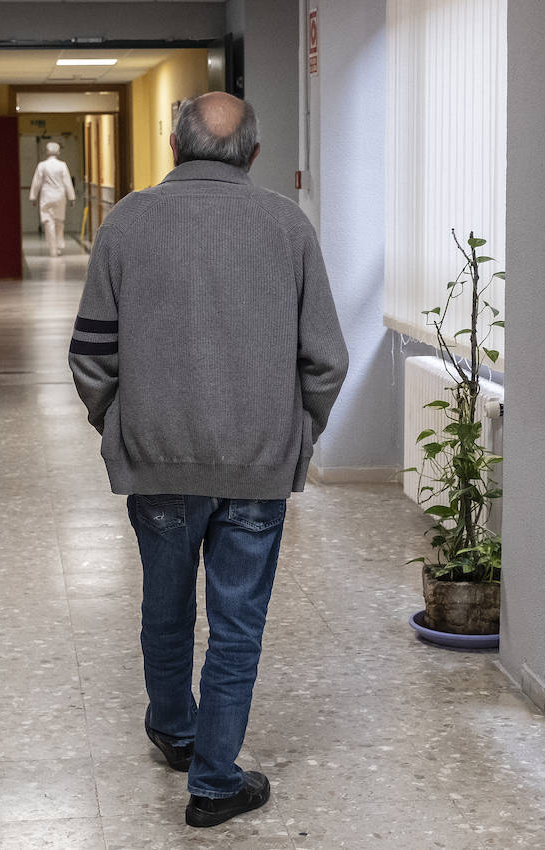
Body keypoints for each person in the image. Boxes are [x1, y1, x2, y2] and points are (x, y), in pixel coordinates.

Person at [67, 92, 348, 828]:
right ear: (252, 154)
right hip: (256, 463)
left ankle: (175, 729)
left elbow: (90, 354)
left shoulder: (126, 221)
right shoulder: (288, 226)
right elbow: (325, 360)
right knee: (237, 624)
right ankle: (216, 781)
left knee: (164, 605)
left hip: (158, 460)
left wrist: (122, 423)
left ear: (172, 145)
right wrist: (294, 433)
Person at [29, 141, 76, 257]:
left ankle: (52, 248)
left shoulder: (42, 165)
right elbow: (67, 182)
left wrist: (33, 197)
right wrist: (72, 197)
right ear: (58, 152)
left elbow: (37, 182)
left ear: (47, 151)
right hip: (60, 196)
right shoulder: (62, 165)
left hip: (46, 196)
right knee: (59, 221)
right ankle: (59, 245)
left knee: (48, 222)